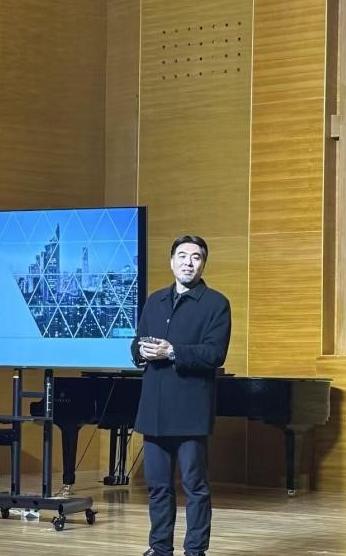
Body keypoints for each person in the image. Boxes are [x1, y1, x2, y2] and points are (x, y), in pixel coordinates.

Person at [132, 235, 232, 556]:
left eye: (196, 257)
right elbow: (136, 343)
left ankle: (195, 551)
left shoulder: (216, 303)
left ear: (203, 264)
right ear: (171, 262)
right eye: (182, 256)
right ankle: (160, 548)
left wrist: (172, 351)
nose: (188, 262)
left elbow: (215, 354)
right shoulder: (154, 301)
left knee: (195, 487)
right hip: (154, 410)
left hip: (191, 411)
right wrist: (141, 351)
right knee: (158, 487)